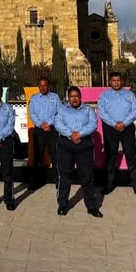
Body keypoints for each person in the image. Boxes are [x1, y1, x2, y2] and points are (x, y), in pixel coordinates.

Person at [54, 86, 102, 217]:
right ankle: (63, 205)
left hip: (84, 146)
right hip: (66, 146)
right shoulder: (62, 110)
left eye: (76, 96)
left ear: (80, 97)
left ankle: (92, 206)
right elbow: (58, 123)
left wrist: (79, 134)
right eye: (71, 96)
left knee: (87, 178)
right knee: (64, 177)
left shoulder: (88, 110)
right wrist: (71, 134)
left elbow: (93, 124)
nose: (74, 99)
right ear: (68, 98)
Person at [97, 71, 136, 196]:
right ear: (110, 82)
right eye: (114, 80)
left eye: (118, 80)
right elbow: (102, 112)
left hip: (127, 128)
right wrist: (114, 124)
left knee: (131, 156)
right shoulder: (104, 96)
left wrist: (124, 123)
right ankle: (108, 184)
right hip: (110, 129)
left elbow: (135, 111)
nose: (116, 83)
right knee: (110, 157)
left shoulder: (130, 95)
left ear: (121, 81)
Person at [28, 76, 61, 190]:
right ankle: (35, 181)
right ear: (38, 86)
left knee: (55, 156)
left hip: (52, 130)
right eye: (41, 85)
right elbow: (32, 114)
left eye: (45, 85)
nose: (43, 87)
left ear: (48, 86)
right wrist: (41, 125)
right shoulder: (34, 98)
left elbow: (59, 112)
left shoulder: (55, 97)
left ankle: (58, 180)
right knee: (37, 156)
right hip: (39, 130)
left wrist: (49, 124)